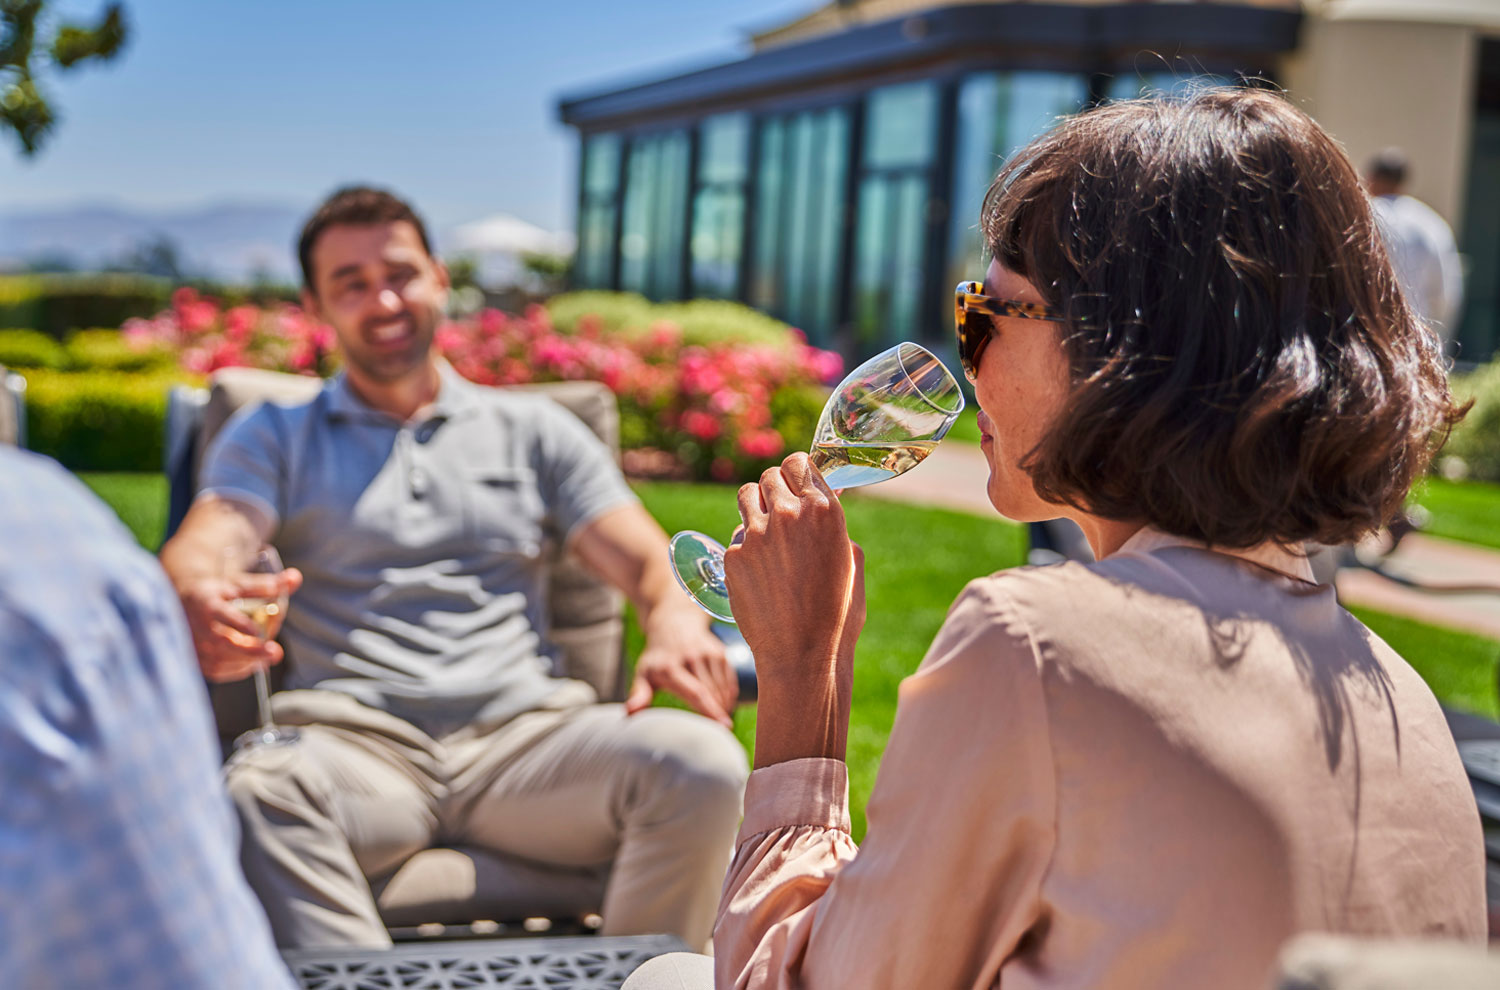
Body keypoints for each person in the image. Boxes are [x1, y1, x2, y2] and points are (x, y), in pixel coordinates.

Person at [706, 90, 1485, 988]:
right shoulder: (1402, 701)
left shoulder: (1039, 648)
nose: (966, 356)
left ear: (1126, 348)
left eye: (985, 313)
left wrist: (804, 677)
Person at [159, 186, 747, 950]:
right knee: (256, 788)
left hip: (529, 744)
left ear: (439, 277)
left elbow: (647, 560)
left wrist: (671, 623)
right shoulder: (272, 433)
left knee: (701, 763)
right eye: (352, 284)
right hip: (354, 747)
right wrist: (198, 589)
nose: (384, 300)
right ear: (316, 305)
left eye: (400, 273)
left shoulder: (535, 431)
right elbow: (210, 541)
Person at [0, 446, 293, 988]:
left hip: (503, 740)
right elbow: (205, 546)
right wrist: (191, 590)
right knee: (271, 791)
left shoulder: (503, 423)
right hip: (350, 730)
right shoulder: (45, 541)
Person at [1365, 147, 1465, 349]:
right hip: (1416, 343)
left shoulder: (1361, 216)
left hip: (1366, 339)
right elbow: (1447, 295)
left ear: (1371, 178)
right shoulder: (1431, 223)